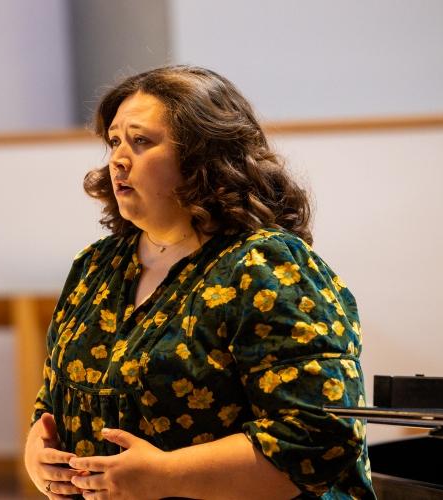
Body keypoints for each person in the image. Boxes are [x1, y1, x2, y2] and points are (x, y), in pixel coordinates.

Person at [24, 65, 375, 499]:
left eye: (141, 141)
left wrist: (164, 474)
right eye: (114, 141)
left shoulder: (264, 265)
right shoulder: (96, 266)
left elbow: (320, 436)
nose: (117, 158)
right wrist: (38, 455)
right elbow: (54, 400)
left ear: (202, 158)